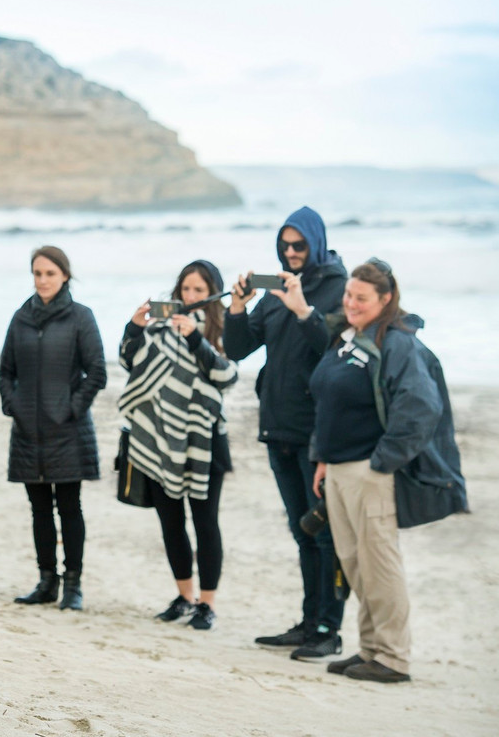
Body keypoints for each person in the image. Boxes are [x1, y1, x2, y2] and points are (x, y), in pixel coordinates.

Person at [310, 258, 467, 683]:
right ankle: (369, 649)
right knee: (355, 564)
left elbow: (420, 409)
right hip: (339, 468)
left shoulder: (397, 343)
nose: (351, 303)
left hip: (371, 472)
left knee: (379, 565)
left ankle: (393, 658)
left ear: (386, 299)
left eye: (361, 298)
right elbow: (328, 402)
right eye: (348, 295)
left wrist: (381, 464)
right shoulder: (347, 335)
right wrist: (322, 457)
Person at [224, 206, 348, 659]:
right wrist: (236, 308)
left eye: (299, 245)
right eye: (284, 246)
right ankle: (307, 621)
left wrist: (303, 310)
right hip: (277, 427)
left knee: (326, 533)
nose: (291, 253)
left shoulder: (339, 289)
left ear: (316, 242)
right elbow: (237, 348)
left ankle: (328, 629)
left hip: (318, 430)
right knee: (302, 531)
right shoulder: (275, 289)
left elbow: (336, 349)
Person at [118, 260, 238, 630]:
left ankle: (207, 603)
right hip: (159, 439)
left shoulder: (223, 330)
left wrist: (194, 338)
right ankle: (184, 597)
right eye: (185, 289)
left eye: (199, 290)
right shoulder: (158, 329)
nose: (191, 297)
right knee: (171, 523)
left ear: (212, 292)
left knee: (205, 523)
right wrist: (135, 327)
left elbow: (226, 375)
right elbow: (129, 361)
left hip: (205, 443)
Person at [0, 246, 106, 611]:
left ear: (64, 275)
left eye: (49, 273)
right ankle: (46, 582)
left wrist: (72, 409)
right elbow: (5, 372)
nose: (42, 280)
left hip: (68, 431)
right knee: (39, 509)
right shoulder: (20, 318)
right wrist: (14, 406)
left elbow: (97, 372)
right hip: (28, 430)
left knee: (69, 507)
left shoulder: (81, 317)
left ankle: (72, 586)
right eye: (37, 273)